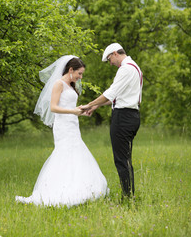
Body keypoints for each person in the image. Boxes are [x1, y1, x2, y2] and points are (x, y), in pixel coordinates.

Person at [15, 55, 109, 207]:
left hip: (73, 124)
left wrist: (82, 110)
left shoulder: (72, 85)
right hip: (63, 126)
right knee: (65, 153)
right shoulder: (58, 84)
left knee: (76, 153)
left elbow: (71, 106)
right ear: (70, 70)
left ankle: (79, 186)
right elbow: (53, 107)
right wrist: (73, 111)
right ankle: (60, 189)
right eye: (79, 73)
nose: (80, 77)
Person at [80, 43, 143, 198]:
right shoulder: (134, 67)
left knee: (121, 160)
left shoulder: (125, 69)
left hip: (123, 117)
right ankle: (129, 195)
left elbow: (110, 93)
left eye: (109, 59)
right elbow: (117, 96)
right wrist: (95, 107)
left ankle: (127, 197)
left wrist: (89, 104)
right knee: (125, 158)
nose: (110, 63)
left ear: (115, 53)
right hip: (132, 115)